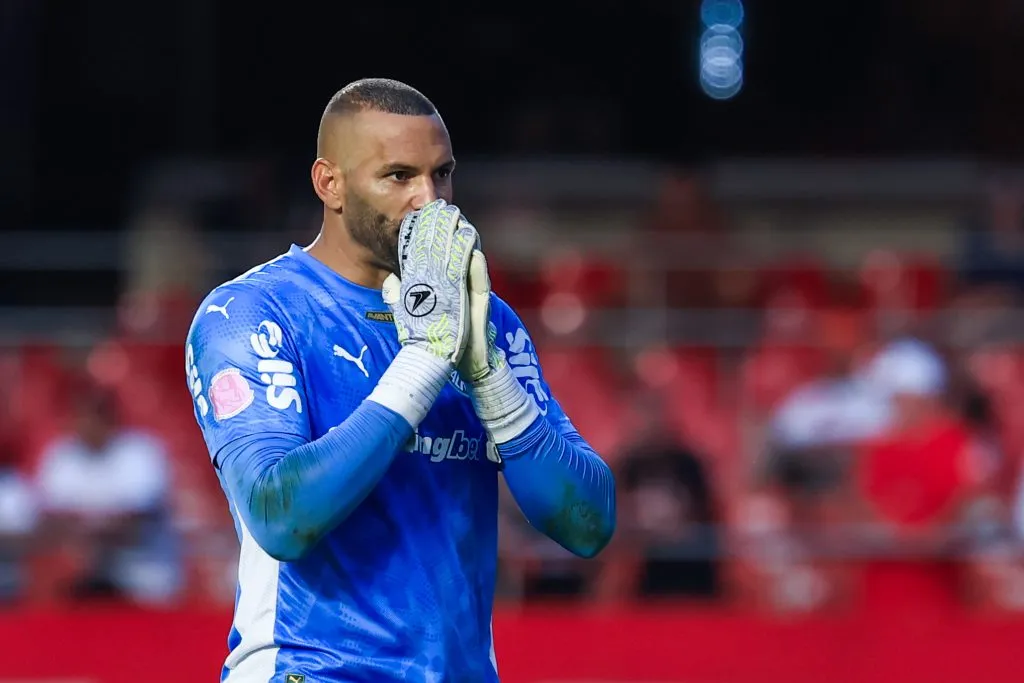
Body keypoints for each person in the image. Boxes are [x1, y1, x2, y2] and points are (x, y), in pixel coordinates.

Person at [185, 78, 616, 681]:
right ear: (329, 183)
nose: (428, 200)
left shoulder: (484, 320)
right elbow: (280, 517)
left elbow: (589, 524)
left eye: (442, 175)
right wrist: (423, 363)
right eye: (399, 176)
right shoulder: (253, 312)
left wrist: (490, 380)